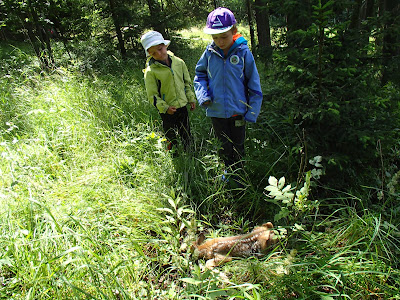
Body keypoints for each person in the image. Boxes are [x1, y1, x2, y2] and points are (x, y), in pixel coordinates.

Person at [194, 7, 263, 182]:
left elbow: (254, 83)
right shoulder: (209, 53)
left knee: (238, 144)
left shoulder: (243, 53)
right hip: (216, 110)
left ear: (234, 31)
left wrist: (252, 111)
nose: (219, 41)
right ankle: (228, 171)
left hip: (237, 111)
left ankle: (239, 174)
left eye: (223, 36)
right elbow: (199, 76)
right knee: (223, 144)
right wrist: (203, 96)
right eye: (215, 37)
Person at [141, 31, 196, 152]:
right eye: (153, 53)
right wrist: (165, 108)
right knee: (170, 134)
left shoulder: (179, 63)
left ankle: (190, 153)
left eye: (160, 49)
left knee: (186, 131)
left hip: (182, 106)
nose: (159, 54)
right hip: (167, 110)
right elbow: (152, 95)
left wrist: (191, 98)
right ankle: (173, 153)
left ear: (165, 45)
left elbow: (187, 82)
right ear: (149, 53)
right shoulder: (151, 71)